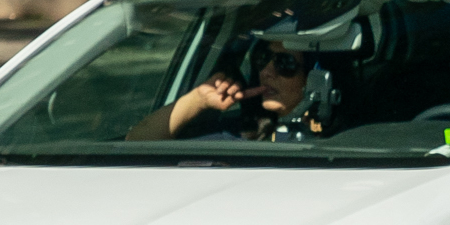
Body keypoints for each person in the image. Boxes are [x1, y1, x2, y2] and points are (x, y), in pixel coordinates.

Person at [127, 41, 313, 141]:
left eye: (284, 64)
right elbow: (136, 144)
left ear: (315, 76)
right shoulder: (243, 133)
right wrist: (199, 99)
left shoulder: (339, 145)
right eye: (263, 59)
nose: (265, 72)